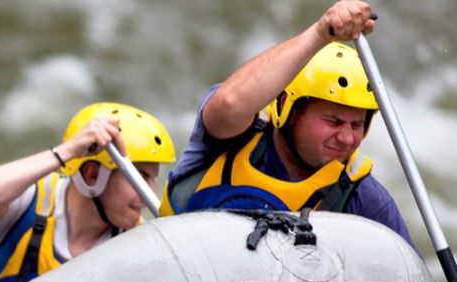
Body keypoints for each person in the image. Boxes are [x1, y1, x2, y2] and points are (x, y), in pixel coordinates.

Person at [159, 0, 411, 246]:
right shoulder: (232, 136)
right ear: (285, 109)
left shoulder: (362, 198)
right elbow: (229, 104)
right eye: (333, 121)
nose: (347, 138)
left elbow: (414, 280)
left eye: (356, 125)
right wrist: (320, 33)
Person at [0, 102, 175, 282]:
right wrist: (68, 151)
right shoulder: (30, 200)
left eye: (152, 178)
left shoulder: (137, 243)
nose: (149, 194)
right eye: (140, 176)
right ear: (92, 175)